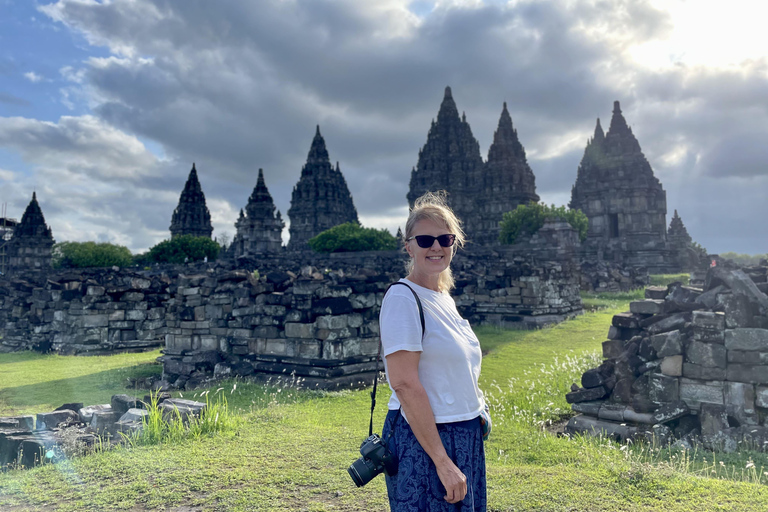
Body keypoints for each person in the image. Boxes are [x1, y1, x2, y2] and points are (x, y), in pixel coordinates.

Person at [380, 191, 487, 512]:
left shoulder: (443, 297)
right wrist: (442, 461)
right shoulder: (402, 298)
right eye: (425, 239)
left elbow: (457, 369)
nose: (436, 246)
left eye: (445, 238)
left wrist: (479, 411)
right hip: (424, 439)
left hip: (464, 434)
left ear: (455, 243)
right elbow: (404, 383)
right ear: (408, 245)